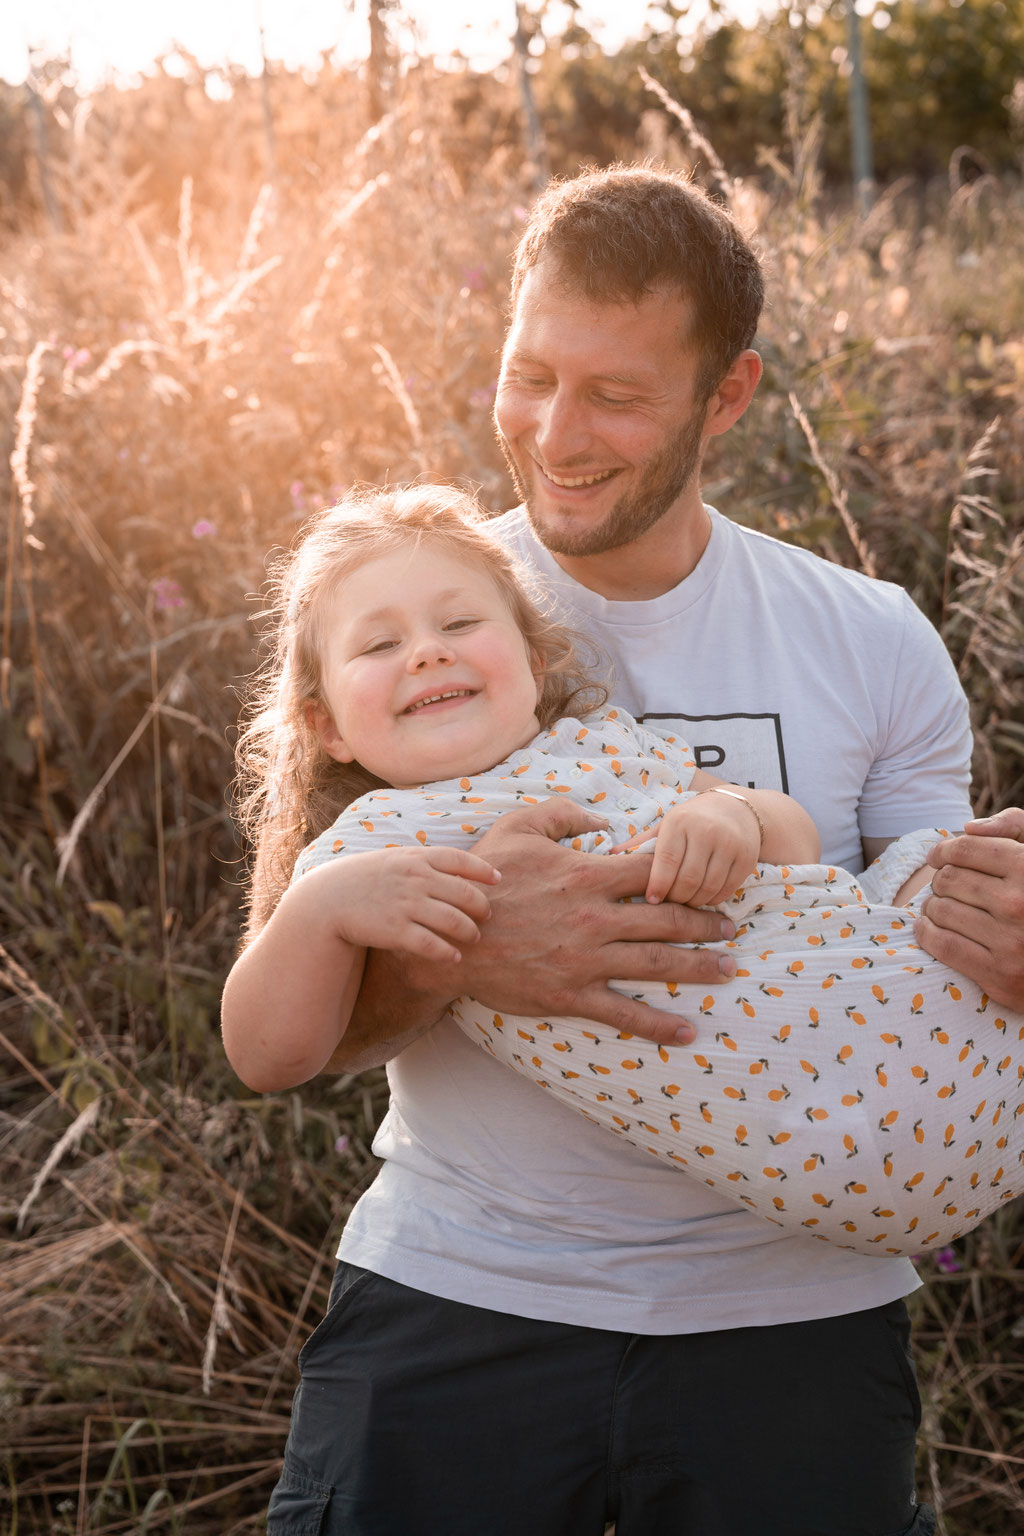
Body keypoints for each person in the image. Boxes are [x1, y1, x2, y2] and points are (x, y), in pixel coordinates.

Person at [246, 167, 1023, 1534]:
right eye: (528, 376)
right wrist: (474, 957)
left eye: (614, 393)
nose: (555, 432)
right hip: (462, 1286)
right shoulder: (406, 608)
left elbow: (934, 957)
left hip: (794, 1316)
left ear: (727, 395)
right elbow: (286, 1007)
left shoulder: (872, 635)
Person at [223, 486, 1021, 1267]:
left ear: (535, 663)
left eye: (460, 623)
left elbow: (798, 840)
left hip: (890, 1006)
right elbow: (267, 1056)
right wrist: (318, 911)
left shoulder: (604, 744)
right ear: (324, 723)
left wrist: (734, 817)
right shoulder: (366, 850)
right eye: (377, 645)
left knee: (958, 866)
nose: (429, 650)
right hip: (800, 1142)